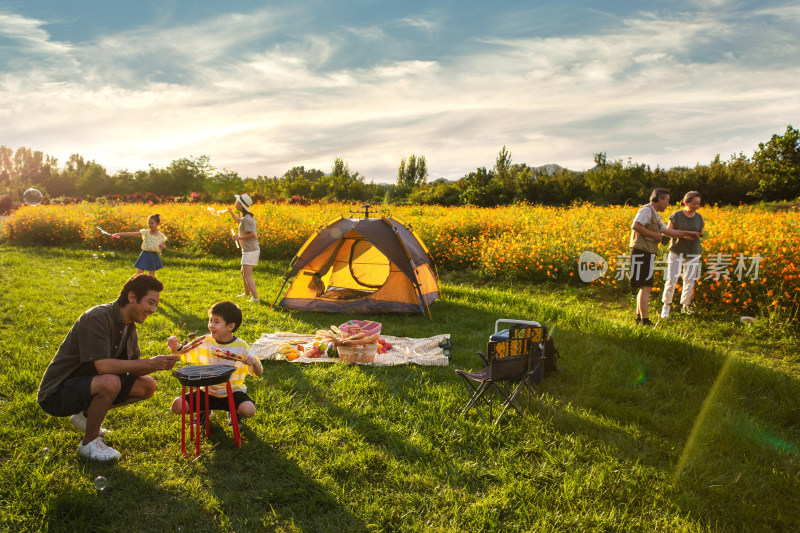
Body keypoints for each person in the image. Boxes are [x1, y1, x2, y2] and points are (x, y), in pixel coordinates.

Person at [37, 274, 178, 461]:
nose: (153, 310)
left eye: (156, 305)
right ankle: (89, 443)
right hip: (58, 393)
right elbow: (103, 366)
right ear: (132, 297)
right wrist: (150, 362)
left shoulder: (129, 327)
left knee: (147, 385)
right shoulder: (97, 316)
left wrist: (158, 364)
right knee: (110, 381)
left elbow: (133, 370)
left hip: (89, 384)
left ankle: (85, 416)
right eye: (150, 303)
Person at [168, 301, 263, 425]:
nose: (211, 325)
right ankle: (203, 411)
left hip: (232, 392)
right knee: (177, 406)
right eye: (210, 321)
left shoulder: (241, 346)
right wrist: (175, 346)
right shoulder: (204, 341)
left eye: (216, 322)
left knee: (249, 410)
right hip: (206, 390)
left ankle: (234, 411)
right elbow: (182, 353)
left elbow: (259, 372)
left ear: (230, 326)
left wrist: (254, 363)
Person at [629, 188, 701, 325]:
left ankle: (639, 317)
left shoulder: (655, 214)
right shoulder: (646, 210)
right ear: (660, 199)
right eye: (667, 201)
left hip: (648, 251)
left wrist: (688, 234)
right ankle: (644, 320)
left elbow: (668, 231)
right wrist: (654, 235)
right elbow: (635, 226)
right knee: (646, 287)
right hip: (641, 250)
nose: (668, 204)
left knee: (644, 287)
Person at [660, 191, 705, 318]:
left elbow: (699, 231)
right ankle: (666, 305)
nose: (697, 206)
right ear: (686, 203)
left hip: (693, 251)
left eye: (699, 204)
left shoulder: (699, 217)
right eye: (695, 203)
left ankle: (685, 305)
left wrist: (699, 235)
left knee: (689, 280)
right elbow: (668, 232)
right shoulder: (676, 215)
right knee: (672, 279)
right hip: (676, 251)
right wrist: (685, 235)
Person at [226, 194, 260, 302]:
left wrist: (238, 237)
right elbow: (238, 221)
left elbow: (253, 234)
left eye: (237, 201)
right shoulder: (244, 217)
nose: (235, 203)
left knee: (247, 274)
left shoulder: (247, 219)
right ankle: (247, 293)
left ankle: (255, 298)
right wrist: (231, 212)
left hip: (251, 250)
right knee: (243, 272)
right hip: (248, 250)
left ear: (242, 205)